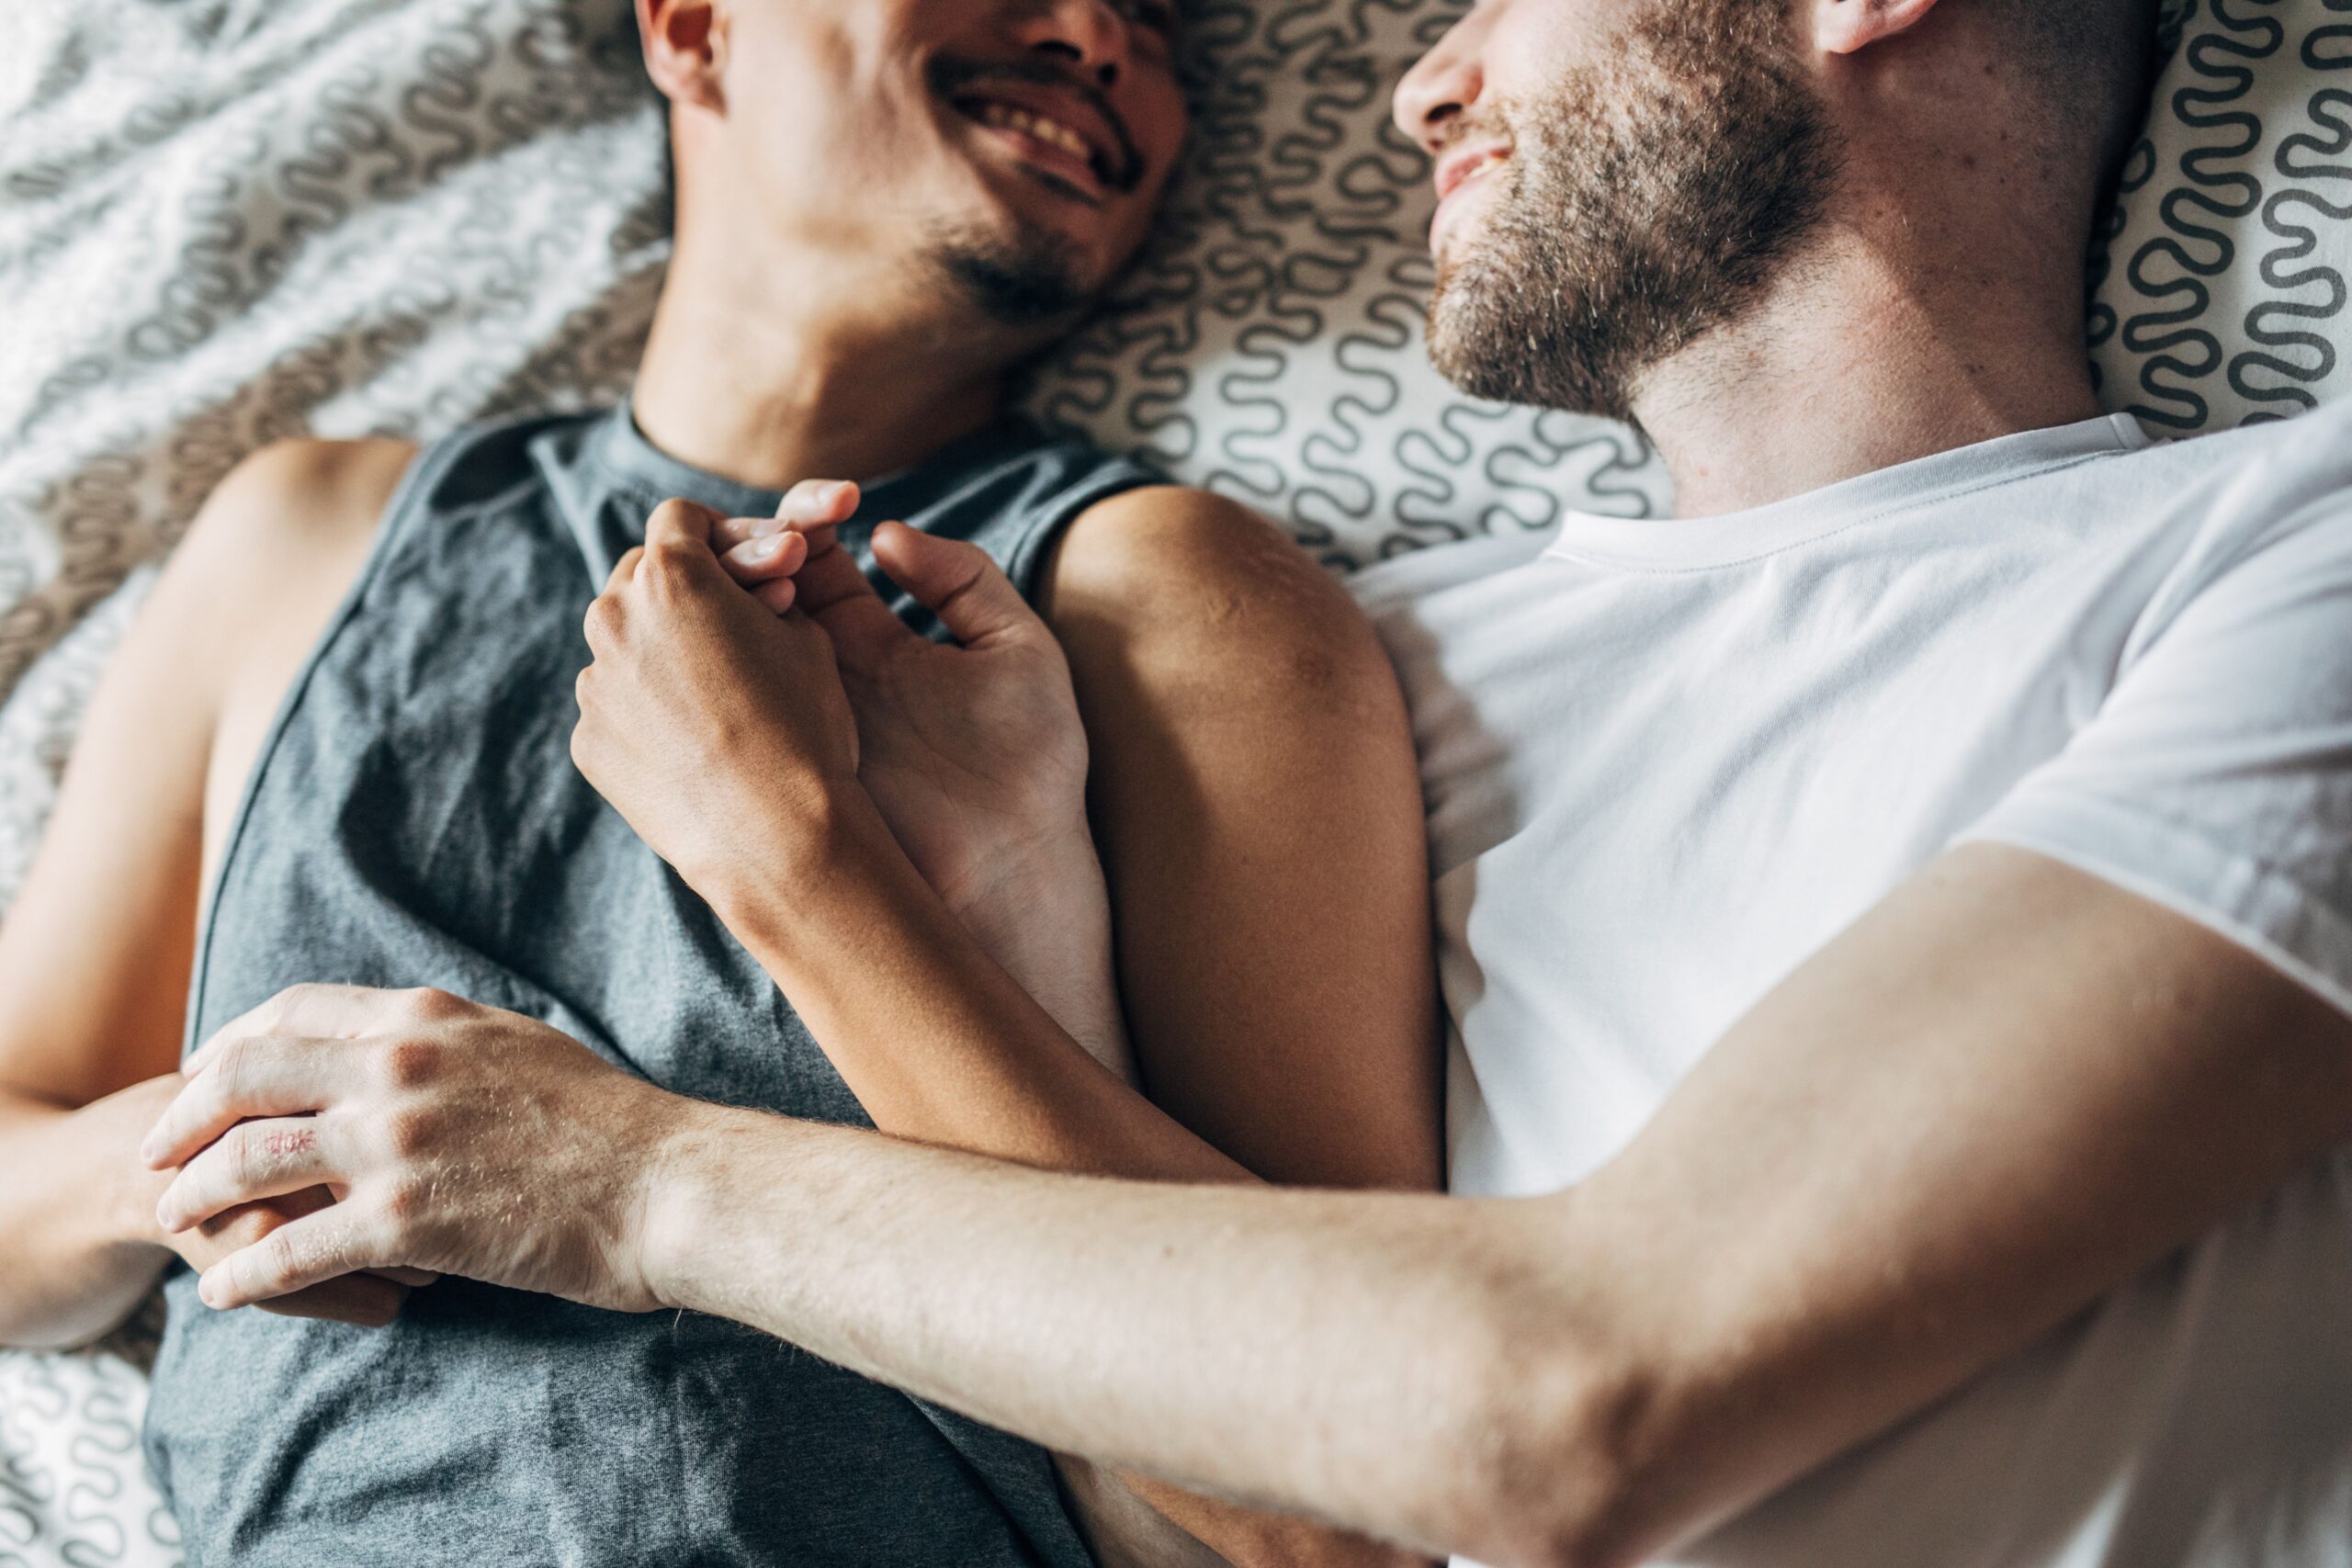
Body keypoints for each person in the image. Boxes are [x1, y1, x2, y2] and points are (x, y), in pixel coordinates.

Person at [131, 0, 2352, 1564]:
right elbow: (1213, 1504)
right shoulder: (1367, 656)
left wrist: (626, 1174)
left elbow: (1568, 1406)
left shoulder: (2288, 561)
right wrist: (1006, 888)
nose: (1415, 79)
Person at [0, 2, 1447, 1565]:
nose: (1101, 32)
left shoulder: (1164, 602)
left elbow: (1344, 1511)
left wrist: (804, 853)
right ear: (695, 29)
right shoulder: (305, 536)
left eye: (1158, 20)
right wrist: (230, 1150)